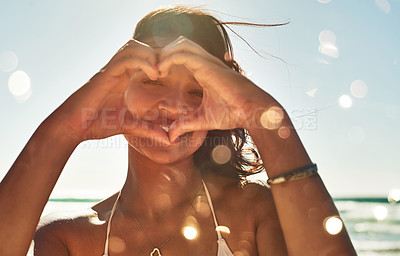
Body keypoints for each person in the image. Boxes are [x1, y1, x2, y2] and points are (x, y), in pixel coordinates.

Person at [0, 6, 357, 256]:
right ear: (118, 86)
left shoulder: (255, 212)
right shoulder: (68, 239)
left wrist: (263, 115)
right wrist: (65, 130)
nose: (173, 108)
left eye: (197, 90)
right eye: (152, 82)